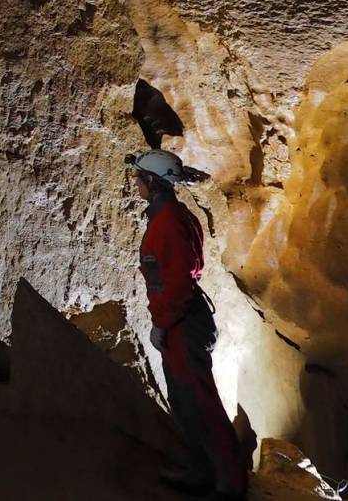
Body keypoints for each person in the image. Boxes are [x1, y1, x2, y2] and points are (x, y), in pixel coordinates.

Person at [130, 149, 248, 500]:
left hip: (182, 323)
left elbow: (178, 283)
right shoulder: (175, 216)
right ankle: (202, 473)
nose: (135, 183)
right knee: (185, 403)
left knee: (201, 403)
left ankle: (230, 485)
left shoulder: (167, 222)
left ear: (151, 181)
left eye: (138, 178)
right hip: (183, 318)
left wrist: (163, 325)